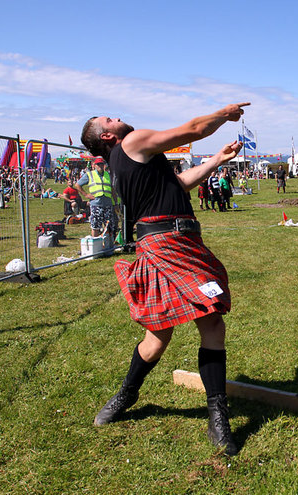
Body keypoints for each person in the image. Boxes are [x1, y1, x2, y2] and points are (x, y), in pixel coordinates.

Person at [80, 101, 249, 456]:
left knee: (194, 324)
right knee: (167, 332)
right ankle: (129, 393)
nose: (116, 116)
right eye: (108, 119)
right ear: (107, 135)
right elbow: (192, 130)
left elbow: (179, 184)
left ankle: (216, 415)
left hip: (176, 241)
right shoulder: (133, 142)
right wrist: (224, 114)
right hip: (166, 243)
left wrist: (217, 160)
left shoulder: (131, 158)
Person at [76, 157, 119, 237]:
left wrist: (115, 203)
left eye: (101, 164)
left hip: (108, 204)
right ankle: (95, 243)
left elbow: (112, 190)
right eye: (98, 164)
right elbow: (78, 185)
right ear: (94, 165)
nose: (100, 166)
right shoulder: (90, 175)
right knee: (95, 226)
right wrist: (86, 194)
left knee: (109, 226)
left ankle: (109, 244)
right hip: (96, 204)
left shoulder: (108, 175)